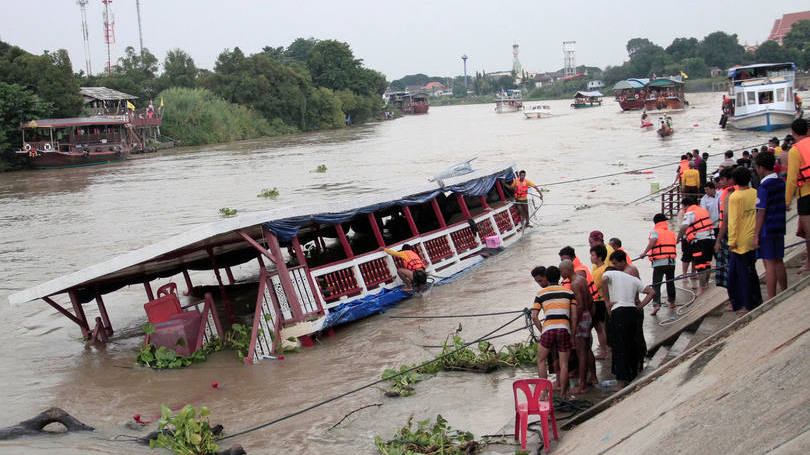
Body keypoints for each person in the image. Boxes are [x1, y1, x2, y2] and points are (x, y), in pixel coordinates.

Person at [601, 250, 655, 386]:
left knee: (619, 346)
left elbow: (604, 280)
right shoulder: (632, 277)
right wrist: (639, 306)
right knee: (631, 343)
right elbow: (651, 292)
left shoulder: (611, 273)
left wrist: (607, 302)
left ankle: (621, 382)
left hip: (619, 312)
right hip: (632, 311)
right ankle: (633, 374)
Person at [530, 266, 577, 399]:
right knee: (564, 364)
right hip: (564, 329)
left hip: (549, 329)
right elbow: (574, 316)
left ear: (547, 277)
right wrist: (572, 334)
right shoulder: (569, 292)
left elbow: (534, 316)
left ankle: (544, 393)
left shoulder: (541, 294)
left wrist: (543, 331)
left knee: (541, 360)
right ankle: (564, 394)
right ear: (559, 277)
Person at [727, 166, 762, 313]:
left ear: (735, 180)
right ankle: (752, 301)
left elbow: (733, 221)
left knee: (741, 276)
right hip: (752, 237)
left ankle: (748, 305)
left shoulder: (735, 197)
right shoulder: (755, 192)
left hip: (740, 242)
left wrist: (731, 241)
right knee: (749, 272)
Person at [754, 152, 787, 299]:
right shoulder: (780, 182)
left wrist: (756, 235)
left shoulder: (763, 187)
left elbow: (761, 213)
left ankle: (771, 297)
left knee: (769, 263)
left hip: (767, 228)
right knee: (779, 260)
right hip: (779, 225)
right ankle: (784, 290)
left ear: (761, 168)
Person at [560, 260, 596, 394]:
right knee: (587, 349)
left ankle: (582, 384)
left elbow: (579, 305)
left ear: (567, 270)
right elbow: (590, 300)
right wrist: (590, 315)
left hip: (581, 318)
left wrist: (574, 324)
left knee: (581, 352)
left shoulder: (574, 284)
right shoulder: (582, 279)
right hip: (587, 314)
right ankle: (593, 377)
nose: (561, 274)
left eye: (561, 271)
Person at [784, 118, 810, 274]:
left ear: (793, 132)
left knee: (808, 232)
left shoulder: (795, 150)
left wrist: (787, 201)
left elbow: (792, 179)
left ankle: (809, 263)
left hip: (805, 195)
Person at [639, 213, 677, 315]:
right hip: (671, 262)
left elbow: (653, 241)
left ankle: (656, 305)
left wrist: (644, 253)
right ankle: (672, 302)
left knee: (656, 284)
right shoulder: (671, 232)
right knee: (670, 282)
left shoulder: (655, 232)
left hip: (659, 262)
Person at [677, 196, 716, 296]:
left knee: (700, 265)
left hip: (700, 241)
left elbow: (684, 227)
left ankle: (701, 288)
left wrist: (678, 238)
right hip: (711, 239)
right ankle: (706, 285)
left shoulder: (690, 213)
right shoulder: (702, 210)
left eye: (683, 207)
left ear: (686, 205)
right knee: (707, 263)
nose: (683, 209)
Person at [589, 244, 610, 359]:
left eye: (593, 255)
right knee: (601, 327)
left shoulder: (600, 271)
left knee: (599, 328)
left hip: (598, 301)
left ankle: (604, 351)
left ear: (600, 257)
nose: (591, 257)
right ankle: (605, 349)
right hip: (601, 301)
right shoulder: (601, 268)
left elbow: (593, 287)